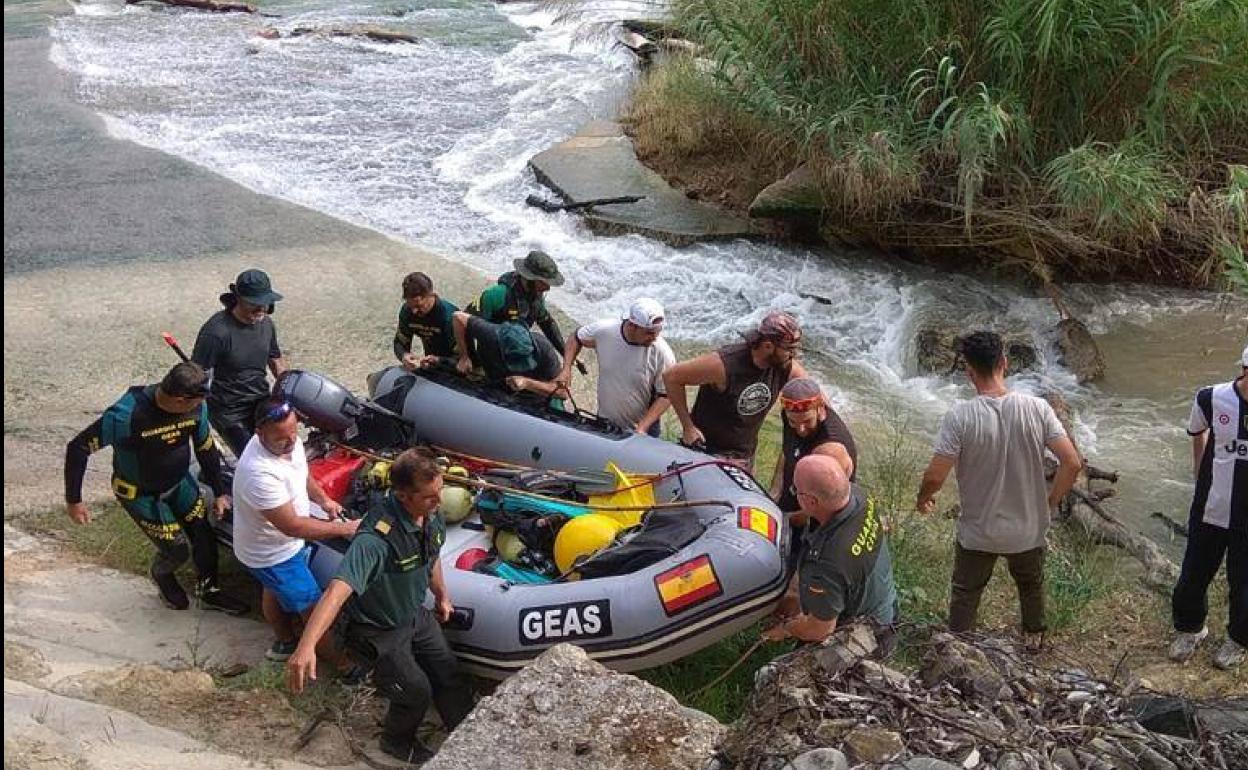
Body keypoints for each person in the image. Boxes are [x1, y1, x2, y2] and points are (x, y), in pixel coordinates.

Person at [287, 448, 474, 765]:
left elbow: (430, 556)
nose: (438, 501)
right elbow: (336, 592)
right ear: (403, 496)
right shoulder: (375, 540)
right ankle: (396, 741)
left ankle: (468, 735)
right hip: (377, 628)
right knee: (415, 691)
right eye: (429, 496)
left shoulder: (430, 515)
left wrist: (441, 595)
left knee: (448, 671)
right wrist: (306, 646)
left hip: (412, 613)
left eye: (440, 491)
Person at [915, 331, 1081, 650]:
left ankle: (959, 646)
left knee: (966, 590)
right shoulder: (1037, 409)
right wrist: (1050, 502)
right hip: (1027, 529)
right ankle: (1033, 637)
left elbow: (935, 475)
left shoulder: (960, 417)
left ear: (968, 371)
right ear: (1004, 363)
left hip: (979, 531)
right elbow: (1072, 463)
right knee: (1030, 584)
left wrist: (924, 498)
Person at [63, 362, 248, 614]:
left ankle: (209, 591)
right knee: (176, 550)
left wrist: (219, 492)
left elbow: (205, 448)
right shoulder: (125, 415)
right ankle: (162, 574)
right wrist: (74, 501)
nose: (202, 404)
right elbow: (78, 448)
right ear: (181, 400)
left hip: (180, 484)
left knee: (203, 534)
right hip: (140, 494)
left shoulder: (197, 407)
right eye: (198, 400)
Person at [232, 397, 362, 664]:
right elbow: (291, 526)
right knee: (314, 611)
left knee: (273, 589)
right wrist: (344, 529)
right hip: (272, 554)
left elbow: (302, 473)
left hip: (284, 543)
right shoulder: (259, 474)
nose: (291, 441)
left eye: (294, 431)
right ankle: (342, 666)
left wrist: (324, 500)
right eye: (281, 437)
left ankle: (284, 641)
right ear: (259, 434)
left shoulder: (289, 444)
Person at [763, 455, 897, 650]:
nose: (795, 494)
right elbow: (811, 513)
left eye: (795, 491)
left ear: (811, 501)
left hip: (867, 635)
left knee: (777, 669)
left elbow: (819, 630)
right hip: (885, 604)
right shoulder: (859, 496)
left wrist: (786, 629)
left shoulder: (827, 562)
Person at [1168, 344, 1247, 670]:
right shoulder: (1210, 398)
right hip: (1212, 506)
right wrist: (1200, 472)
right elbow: (1197, 432)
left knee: (1244, 584)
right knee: (1193, 575)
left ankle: (1238, 640)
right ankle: (1190, 629)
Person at [664, 310, 808, 469]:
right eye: (789, 349)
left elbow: (816, 397)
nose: (793, 354)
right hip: (703, 451)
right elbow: (671, 377)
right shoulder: (723, 364)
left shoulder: (786, 367)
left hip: (743, 456)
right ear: (768, 345)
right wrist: (688, 427)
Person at [192, 269, 288, 457]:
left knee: (281, 450)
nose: (261, 309)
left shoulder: (266, 324)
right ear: (238, 299)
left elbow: (275, 359)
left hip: (260, 400)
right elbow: (196, 377)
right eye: (254, 303)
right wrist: (200, 427)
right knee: (254, 459)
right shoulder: (216, 333)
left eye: (264, 303)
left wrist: (289, 389)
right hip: (229, 412)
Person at [558, 298, 676, 435]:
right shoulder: (605, 331)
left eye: (658, 331)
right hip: (604, 423)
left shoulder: (662, 353)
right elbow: (576, 338)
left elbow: (667, 395)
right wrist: (566, 368)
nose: (655, 337)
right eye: (649, 332)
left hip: (641, 430)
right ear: (632, 326)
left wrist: (642, 427)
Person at [771, 377, 858, 514]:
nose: (801, 429)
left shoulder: (830, 449)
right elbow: (787, 452)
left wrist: (787, 519)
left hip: (813, 515)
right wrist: (775, 492)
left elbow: (826, 504)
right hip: (792, 497)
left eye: (807, 421)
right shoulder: (792, 416)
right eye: (793, 422)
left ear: (820, 409)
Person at [467, 250, 568, 356]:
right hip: (491, 348)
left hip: (515, 347)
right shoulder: (497, 294)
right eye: (543, 283)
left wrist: (566, 353)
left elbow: (547, 324)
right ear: (528, 278)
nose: (547, 288)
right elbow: (466, 323)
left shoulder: (536, 298)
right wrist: (467, 357)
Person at [452, 311, 563, 396]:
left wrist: (528, 383)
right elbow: (458, 317)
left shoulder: (545, 351)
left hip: (531, 393)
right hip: (495, 380)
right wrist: (464, 356)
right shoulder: (491, 334)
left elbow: (562, 392)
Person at [393, 271, 458, 370]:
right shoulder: (407, 312)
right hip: (431, 363)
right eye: (410, 305)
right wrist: (404, 356)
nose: (414, 311)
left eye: (419, 306)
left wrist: (439, 361)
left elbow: (465, 360)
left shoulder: (448, 316)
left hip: (454, 366)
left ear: (431, 295)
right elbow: (400, 342)